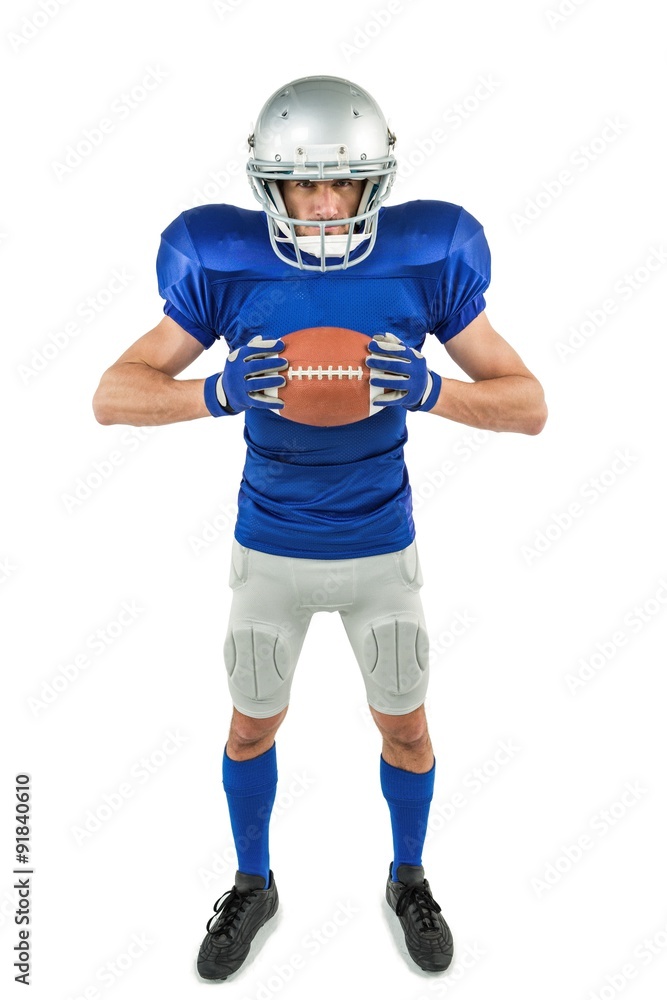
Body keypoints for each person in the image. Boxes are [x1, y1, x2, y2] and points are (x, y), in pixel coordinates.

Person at [93, 74, 547, 980]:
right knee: (250, 729)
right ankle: (252, 882)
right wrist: (212, 393)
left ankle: (408, 876)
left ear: (376, 183)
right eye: (306, 184)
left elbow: (528, 404)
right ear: (270, 186)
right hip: (270, 550)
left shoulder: (427, 258)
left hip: (383, 548)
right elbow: (112, 395)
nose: (326, 202)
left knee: (407, 730)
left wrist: (431, 389)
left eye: (344, 183)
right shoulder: (220, 264)